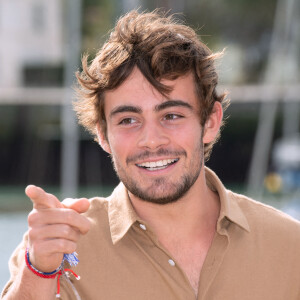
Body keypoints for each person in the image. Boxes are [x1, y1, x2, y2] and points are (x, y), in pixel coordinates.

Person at [2, 9, 300, 300]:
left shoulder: (289, 247)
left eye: (171, 115)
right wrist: (38, 270)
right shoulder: (57, 251)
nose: (151, 140)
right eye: (128, 120)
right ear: (103, 135)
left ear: (210, 122)